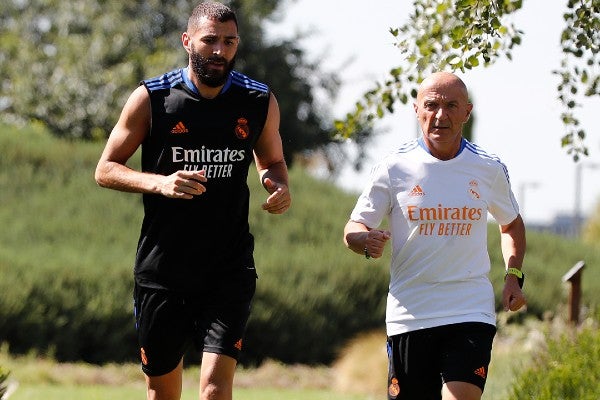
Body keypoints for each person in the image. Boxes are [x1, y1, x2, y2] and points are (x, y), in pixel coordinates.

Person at [95, 2, 291, 399]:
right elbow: (106, 169)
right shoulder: (152, 98)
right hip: (164, 270)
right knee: (163, 393)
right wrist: (160, 183)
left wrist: (279, 186)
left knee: (216, 390)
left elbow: (272, 161)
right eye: (210, 41)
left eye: (230, 41)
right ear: (188, 41)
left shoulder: (258, 100)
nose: (220, 51)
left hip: (229, 266)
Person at [343, 71, 526, 400]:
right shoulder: (393, 168)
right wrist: (364, 242)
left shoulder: (488, 168)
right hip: (410, 313)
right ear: (416, 110)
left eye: (451, 106)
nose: (440, 115)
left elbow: (511, 225)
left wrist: (513, 276)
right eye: (431, 105)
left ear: (466, 113)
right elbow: (354, 228)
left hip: (470, 309)